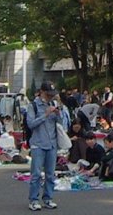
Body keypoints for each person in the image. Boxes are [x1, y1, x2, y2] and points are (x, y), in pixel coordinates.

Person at [24, 81, 69, 212]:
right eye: (48, 94)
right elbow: (30, 124)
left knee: (50, 174)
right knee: (36, 174)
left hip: (52, 144)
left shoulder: (53, 104)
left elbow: (62, 125)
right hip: (38, 143)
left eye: (52, 95)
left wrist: (59, 115)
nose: (51, 97)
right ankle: (33, 200)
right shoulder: (33, 106)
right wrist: (46, 114)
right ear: (42, 92)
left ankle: (48, 198)